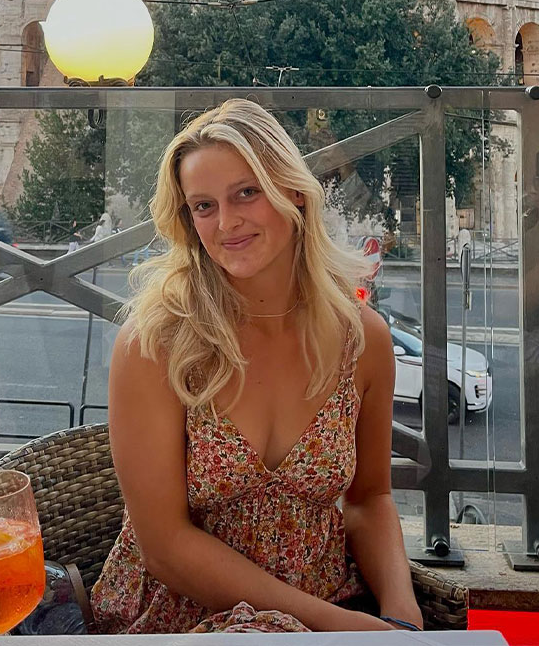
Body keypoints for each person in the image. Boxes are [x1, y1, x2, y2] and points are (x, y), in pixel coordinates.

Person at [91, 99, 423, 634]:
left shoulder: (362, 340)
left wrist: (402, 615)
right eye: (204, 206)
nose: (227, 222)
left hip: (327, 609)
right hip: (185, 618)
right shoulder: (156, 344)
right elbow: (164, 546)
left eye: (247, 192)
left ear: (293, 191)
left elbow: (369, 498)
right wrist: (339, 627)